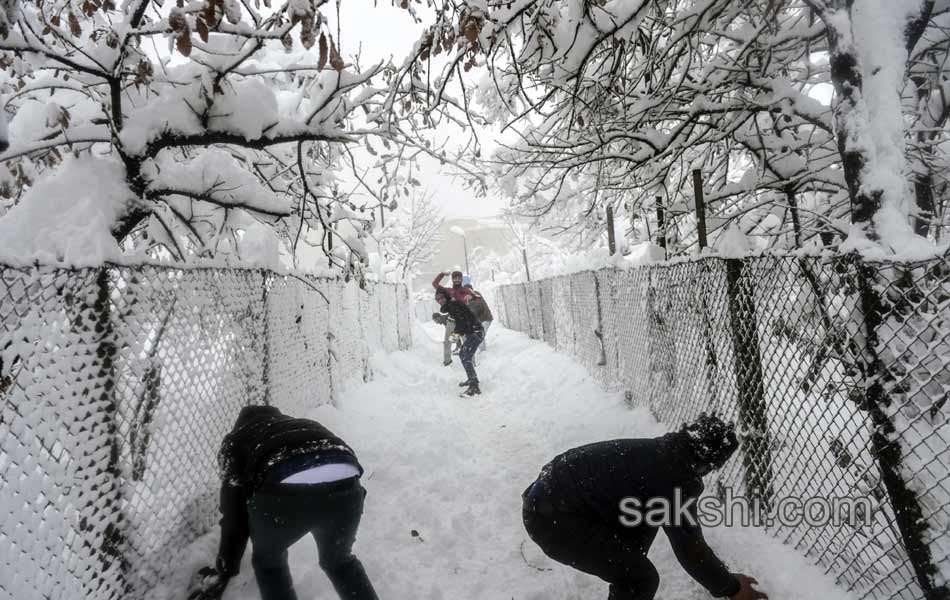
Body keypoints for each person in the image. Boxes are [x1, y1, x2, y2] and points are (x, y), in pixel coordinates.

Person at [521, 413, 768, 600]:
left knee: (635, 545)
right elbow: (691, 551)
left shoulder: (661, 452)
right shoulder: (675, 480)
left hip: (548, 496)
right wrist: (733, 588)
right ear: (710, 462)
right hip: (554, 519)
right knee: (641, 578)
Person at [187, 405, 378, 600]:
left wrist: (226, 567)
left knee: (270, 565)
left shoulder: (236, 441)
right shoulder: (302, 424)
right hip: (347, 487)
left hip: (283, 494)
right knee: (340, 562)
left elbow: (234, 514)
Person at [435, 286, 484, 396]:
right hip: (473, 332)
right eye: (437, 299)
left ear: (446, 296)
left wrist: (453, 338)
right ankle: (471, 379)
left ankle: (474, 387)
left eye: (441, 297)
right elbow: (461, 323)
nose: (440, 300)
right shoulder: (451, 305)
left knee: (465, 356)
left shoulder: (453, 305)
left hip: (475, 332)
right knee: (464, 355)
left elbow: (461, 324)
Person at [463, 284, 493, 352]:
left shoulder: (476, 295)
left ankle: (483, 351)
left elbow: (476, 308)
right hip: (481, 320)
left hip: (485, 319)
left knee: (479, 335)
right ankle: (482, 351)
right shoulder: (470, 298)